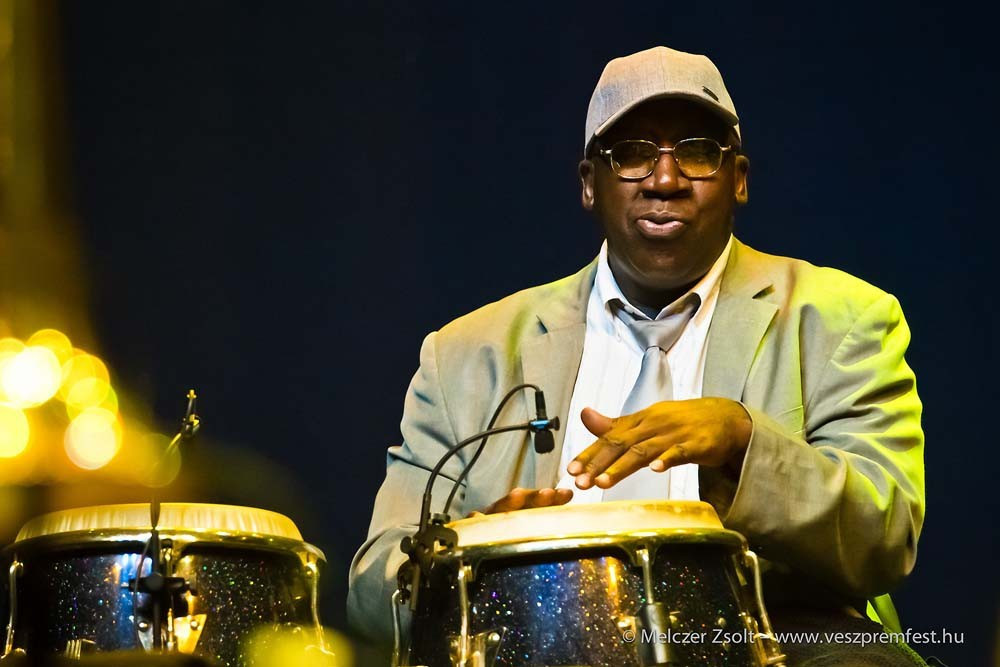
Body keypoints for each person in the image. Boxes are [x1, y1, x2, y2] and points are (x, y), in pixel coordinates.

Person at [348, 46, 926, 664]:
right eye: (631, 154)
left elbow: (884, 536)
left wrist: (743, 443)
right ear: (588, 184)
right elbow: (372, 586)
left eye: (697, 153)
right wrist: (479, 556)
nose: (664, 180)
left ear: (739, 179)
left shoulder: (840, 319)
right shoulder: (467, 352)